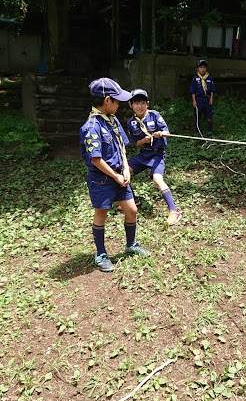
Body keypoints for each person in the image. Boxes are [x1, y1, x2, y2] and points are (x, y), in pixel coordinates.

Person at [79, 78, 150, 272]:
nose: (120, 104)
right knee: (101, 213)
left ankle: (130, 244)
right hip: (102, 179)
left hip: (120, 175)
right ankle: (101, 254)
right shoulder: (92, 127)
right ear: (107, 100)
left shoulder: (113, 120)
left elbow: (121, 146)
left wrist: (125, 168)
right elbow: (95, 159)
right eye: (117, 100)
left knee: (132, 210)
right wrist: (115, 176)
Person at [126, 89, 182, 226]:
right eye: (136, 103)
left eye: (143, 103)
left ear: (148, 104)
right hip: (143, 154)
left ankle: (174, 211)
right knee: (122, 171)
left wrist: (160, 133)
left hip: (157, 154)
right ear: (131, 105)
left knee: (157, 179)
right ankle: (133, 200)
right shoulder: (131, 123)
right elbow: (136, 143)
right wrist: (144, 141)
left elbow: (167, 133)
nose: (140, 106)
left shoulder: (155, 115)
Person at [190, 59, 216, 136]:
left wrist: (211, 98)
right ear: (197, 68)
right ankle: (198, 131)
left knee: (209, 115)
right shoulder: (195, 79)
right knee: (198, 115)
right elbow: (193, 91)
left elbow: (212, 90)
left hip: (206, 99)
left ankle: (210, 131)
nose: (203, 69)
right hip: (198, 99)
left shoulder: (209, 78)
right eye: (201, 67)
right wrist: (194, 101)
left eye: (204, 67)